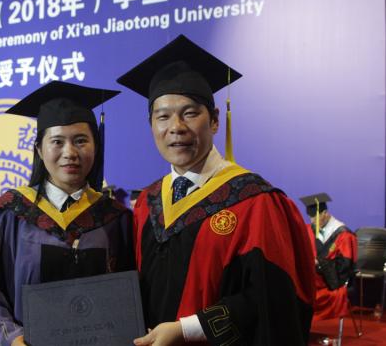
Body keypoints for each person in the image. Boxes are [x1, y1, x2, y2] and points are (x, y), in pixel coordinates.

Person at [116, 35, 315, 345]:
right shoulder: (147, 202)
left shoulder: (254, 201)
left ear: (214, 121)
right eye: (163, 116)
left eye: (190, 113)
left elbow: (272, 300)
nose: (176, 127)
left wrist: (186, 330)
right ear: (152, 125)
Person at [0, 81, 134, 346]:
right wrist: (11, 339)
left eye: (81, 141)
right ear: (39, 150)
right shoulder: (12, 213)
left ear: (96, 147)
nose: (70, 153)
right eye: (57, 142)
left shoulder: (114, 218)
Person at [300, 192, 357, 322]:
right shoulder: (308, 229)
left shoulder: (344, 235)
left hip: (330, 281)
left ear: (325, 213)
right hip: (312, 277)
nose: (312, 221)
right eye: (310, 217)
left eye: (315, 217)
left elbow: (344, 267)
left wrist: (319, 263)